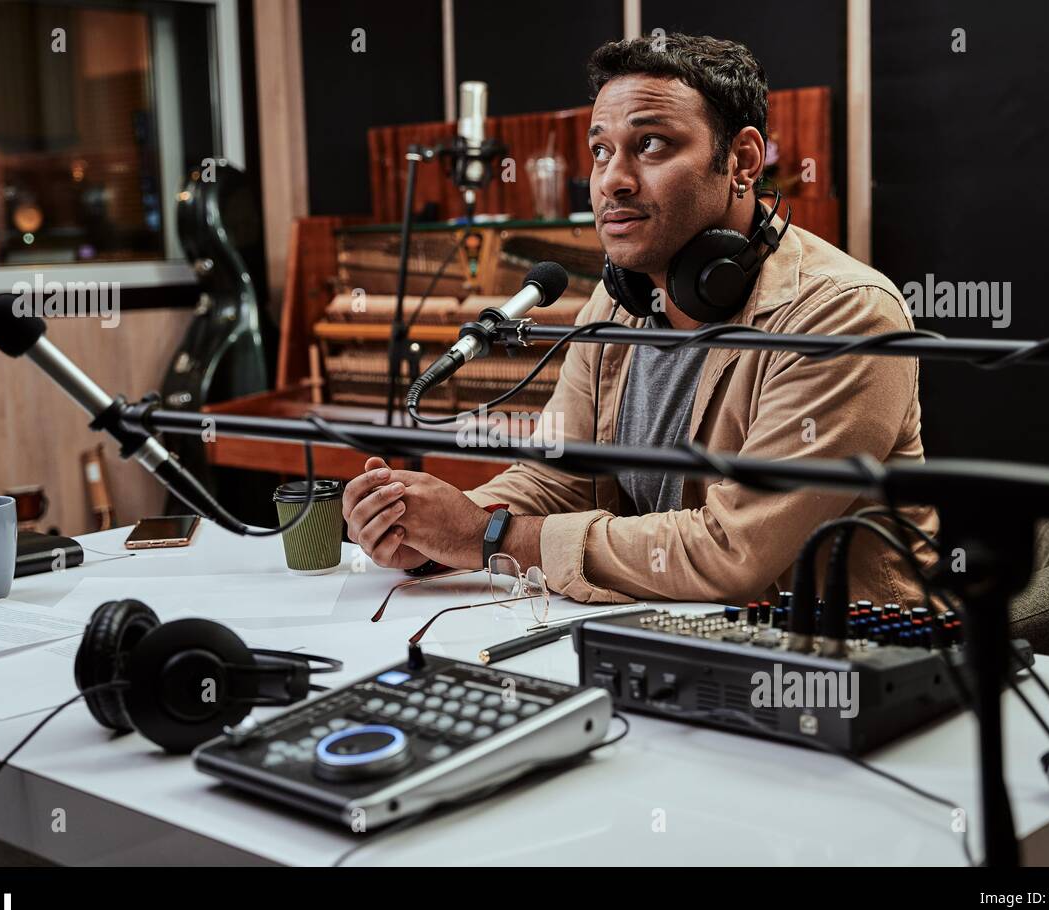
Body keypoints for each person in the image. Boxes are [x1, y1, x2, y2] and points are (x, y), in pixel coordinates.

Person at [342, 33, 938, 606]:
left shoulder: (844, 314)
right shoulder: (618, 305)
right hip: (672, 634)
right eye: (601, 150)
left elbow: (735, 551)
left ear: (743, 160)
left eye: (651, 144)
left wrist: (483, 538)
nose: (612, 180)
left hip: (846, 663)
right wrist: (426, 534)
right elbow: (559, 480)